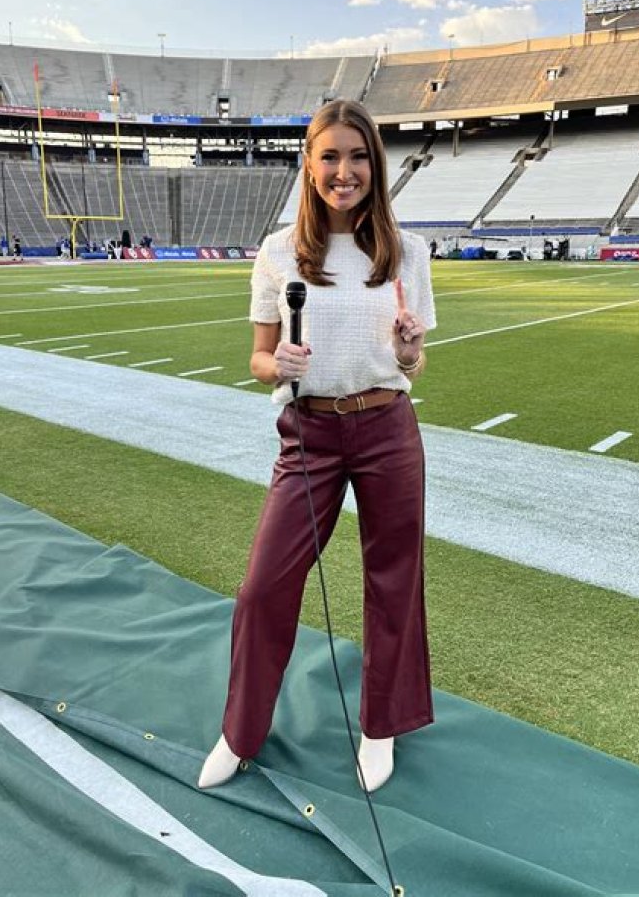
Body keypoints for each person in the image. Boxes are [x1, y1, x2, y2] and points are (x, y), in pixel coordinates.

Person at [199, 99, 436, 793]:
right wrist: (277, 366)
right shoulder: (278, 251)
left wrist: (409, 352)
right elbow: (258, 358)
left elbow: (413, 363)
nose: (344, 171)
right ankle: (240, 731)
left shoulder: (408, 251)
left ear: (376, 166)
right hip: (309, 435)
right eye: (330, 156)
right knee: (264, 586)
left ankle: (381, 727)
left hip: (387, 426)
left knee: (394, 581)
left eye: (358, 157)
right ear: (309, 163)